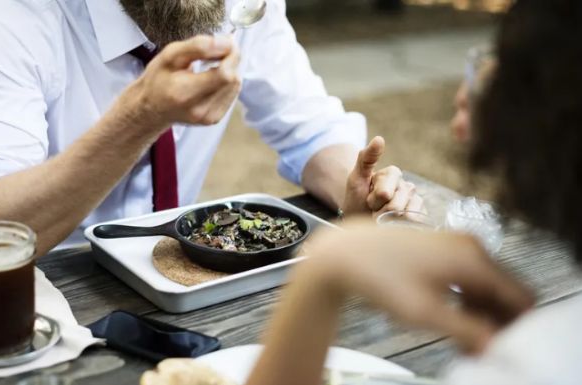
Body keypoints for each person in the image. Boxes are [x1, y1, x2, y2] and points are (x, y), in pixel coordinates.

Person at [0, 0, 423, 268]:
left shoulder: (244, 6)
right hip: (28, 290)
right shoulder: (9, 14)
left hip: (173, 275)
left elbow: (309, 129)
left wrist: (356, 188)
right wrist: (137, 118)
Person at [244, 0, 582, 384]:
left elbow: (304, 123)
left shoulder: (523, 367)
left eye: (501, 65)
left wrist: (325, 272)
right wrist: (356, 190)